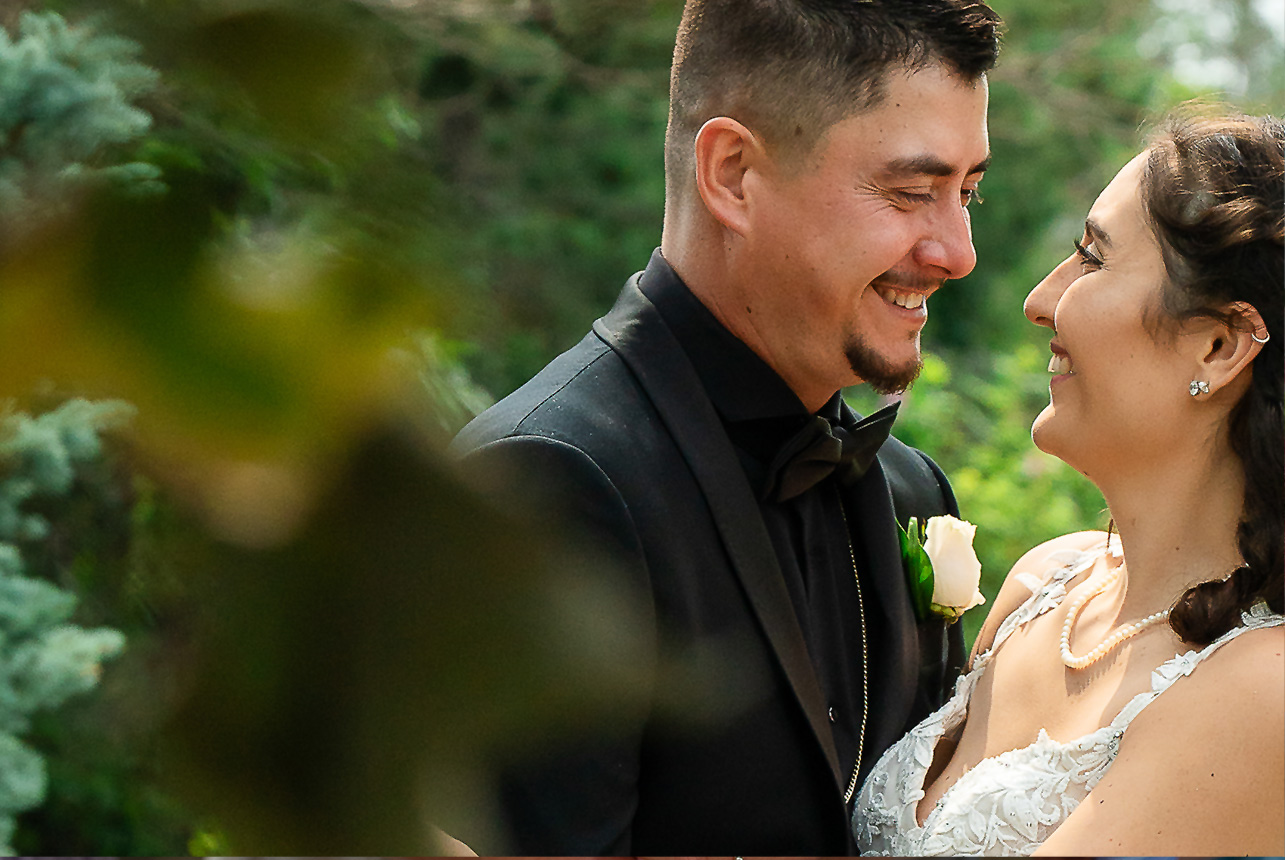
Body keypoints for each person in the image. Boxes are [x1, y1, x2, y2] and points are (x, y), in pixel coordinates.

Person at [448, 0, 1001, 854]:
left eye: (966, 192)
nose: (957, 250)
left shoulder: (911, 489)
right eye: (911, 192)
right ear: (733, 173)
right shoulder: (537, 487)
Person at [854, 109, 1284, 856]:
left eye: (1091, 259)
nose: (1038, 300)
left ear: (1217, 346)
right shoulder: (1042, 582)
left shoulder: (1262, 690)